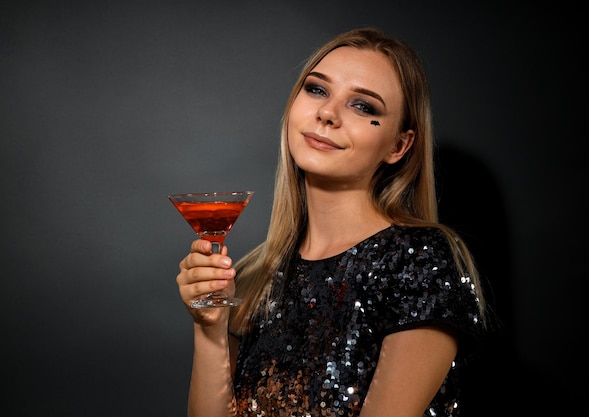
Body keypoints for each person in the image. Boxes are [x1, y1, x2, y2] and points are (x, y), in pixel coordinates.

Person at [176, 27, 489, 417]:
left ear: (398, 146)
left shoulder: (420, 262)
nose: (327, 113)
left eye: (363, 106)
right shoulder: (256, 275)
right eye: (317, 90)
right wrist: (208, 329)